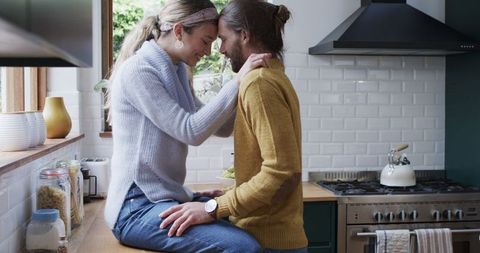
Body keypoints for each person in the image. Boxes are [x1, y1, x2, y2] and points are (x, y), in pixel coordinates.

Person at [104, 0, 270, 252]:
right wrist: (237, 83)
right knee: (245, 248)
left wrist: (248, 88)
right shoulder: (139, 71)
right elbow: (190, 130)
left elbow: (222, 128)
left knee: (248, 219)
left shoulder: (176, 71)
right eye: (205, 41)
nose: (209, 51)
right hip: (135, 207)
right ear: (179, 31)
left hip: (162, 198)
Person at [160, 0, 309, 252]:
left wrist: (214, 209)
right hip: (275, 238)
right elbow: (275, 167)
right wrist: (230, 194)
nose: (220, 50)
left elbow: (280, 171)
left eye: (223, 39)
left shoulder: (259, 83)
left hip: (267, 240)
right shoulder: (274, 76)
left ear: (244, 35)